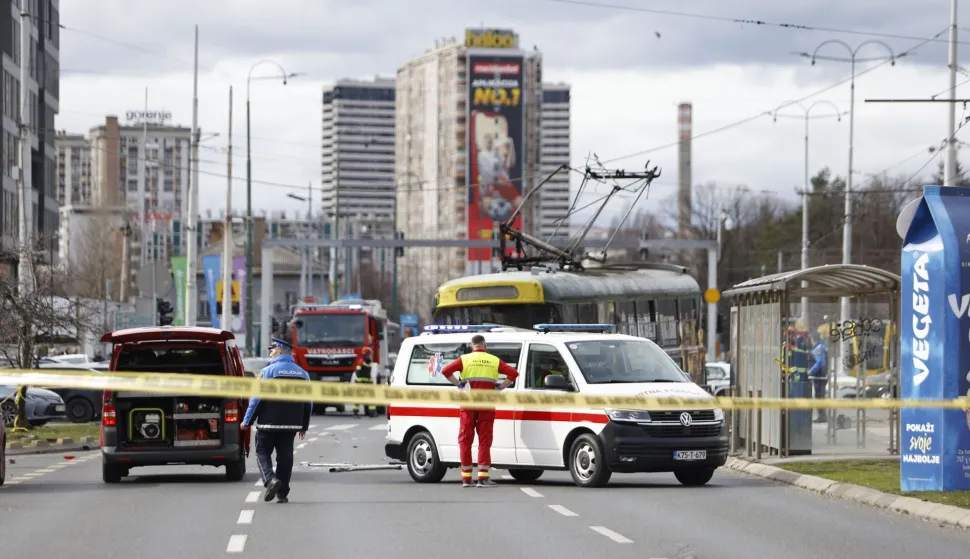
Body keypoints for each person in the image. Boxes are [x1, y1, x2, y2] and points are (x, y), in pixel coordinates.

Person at [438, 334, 519, 487]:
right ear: (485, 346)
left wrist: (459, 384)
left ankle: (466, 478)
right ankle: (483, 477)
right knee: (484, 440)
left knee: (465, 440)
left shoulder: (465, 359)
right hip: (486, 404)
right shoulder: (494, 360)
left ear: (471, 346)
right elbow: (513, 374)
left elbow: (446, 371)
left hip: (468, 404)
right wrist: (500, 387)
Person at [241, 337, 312, 504]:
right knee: (285, 458)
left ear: (279, 350)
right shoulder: (303, 374)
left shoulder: (267, 372)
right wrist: (304, 426)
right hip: (291, 425)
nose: (270, 353)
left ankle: (270, 480)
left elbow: (256, 399)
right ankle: (282, 493)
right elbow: (309, 402)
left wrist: (247, 421)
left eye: (272, 349)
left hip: (268, 424)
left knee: (262, 452)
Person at [808, 333, 828, 423]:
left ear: (813, 338)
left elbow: (820, 362)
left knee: (819, 396)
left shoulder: (819, 347)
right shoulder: (819, 346)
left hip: (819, 376)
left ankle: (822, 416)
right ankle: (822, 416)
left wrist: (810, 371)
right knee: (819, 395)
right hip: (819, 376)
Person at [352, 347, 377, 418]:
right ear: (366, 355)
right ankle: (355, 412)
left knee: (371, 397)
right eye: (369, 355)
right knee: (358, 399)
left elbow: (367, 375)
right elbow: (358, 372)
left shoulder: (368, 362)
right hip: (361, 384)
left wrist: (370, 381)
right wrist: (360, 381)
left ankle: (372, 412)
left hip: (367, 383)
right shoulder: (361, 362)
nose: (371, 356)